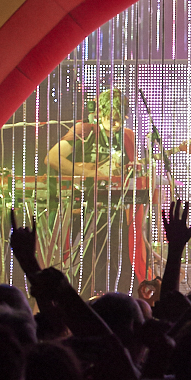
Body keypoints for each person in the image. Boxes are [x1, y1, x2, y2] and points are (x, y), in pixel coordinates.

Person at [46, 89, 143, 296]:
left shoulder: (127, 136)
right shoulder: (85, 130)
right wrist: (90, 172)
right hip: (82, 207)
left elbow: (129, 171)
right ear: (100, 113)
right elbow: (52, 159)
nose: (116, 123)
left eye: (120, 118)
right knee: (83, 262)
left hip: (116, 208)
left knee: (118, 260)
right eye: (112, 118)